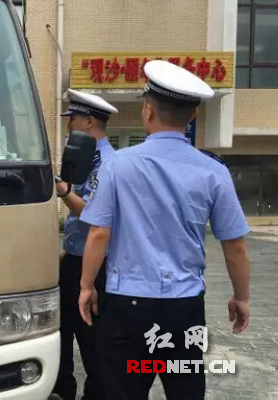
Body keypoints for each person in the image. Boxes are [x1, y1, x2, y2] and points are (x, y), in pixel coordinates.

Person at [77, 60, 251, 400]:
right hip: (184, 309)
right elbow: (235, 245)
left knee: (122, 391)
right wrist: (241, 297)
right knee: (185, 390)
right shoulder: (213, 171)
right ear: (193, 116)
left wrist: (86, 286)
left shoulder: (118, 165)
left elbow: (99, 233)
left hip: (127, 307)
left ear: (148, 111)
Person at [52, 89, 118, 400]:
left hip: (95, 265)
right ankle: (61, 390)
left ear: (89, 121)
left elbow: (94, 217)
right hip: (73, 258)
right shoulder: (83, 155)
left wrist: (64, 191)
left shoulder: (108, 164)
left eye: (73, 119)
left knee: (92, 339)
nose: (69, 125)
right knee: (60, 332)